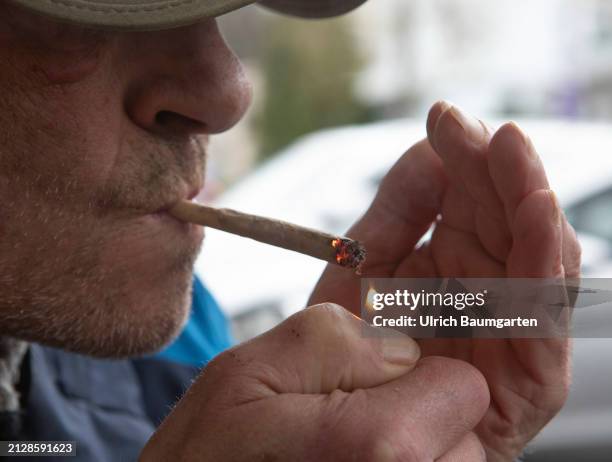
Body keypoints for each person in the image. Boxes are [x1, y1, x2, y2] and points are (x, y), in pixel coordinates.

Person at [0, 0, 581, 461]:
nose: (228, 91)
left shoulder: (182, 358)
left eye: (208, 9)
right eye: (94, 12)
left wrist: (445, 438)